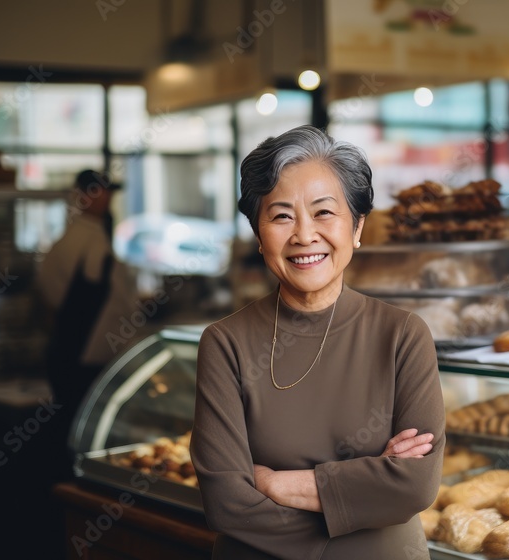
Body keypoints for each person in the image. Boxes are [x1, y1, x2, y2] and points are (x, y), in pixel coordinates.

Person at [191, 125, 446, 559]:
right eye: (281, 215)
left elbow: (413, 485)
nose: (305, 235)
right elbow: (227, 504)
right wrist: (362, 494)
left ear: (358, 226)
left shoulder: (402, 335)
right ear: (258, 233)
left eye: (324, 212)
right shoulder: (225, 343)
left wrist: (273, 484)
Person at [37, 169, 137, 472]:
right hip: (86, 353)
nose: (106, 198)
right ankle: (78, 490)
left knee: (69, 425)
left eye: (107, 191)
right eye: (98, 191)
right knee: (82, 434)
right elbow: (110, 299)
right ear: (82, 196)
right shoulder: (89, 240)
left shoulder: (73, 237)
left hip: (70, 350)